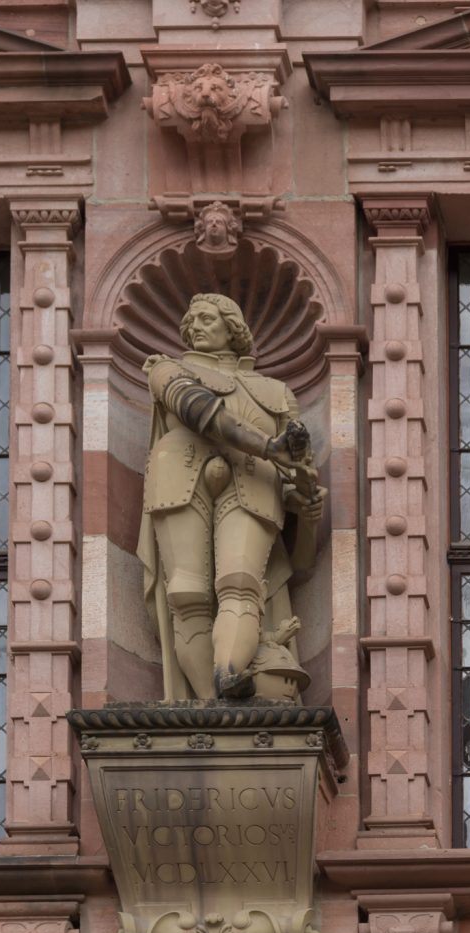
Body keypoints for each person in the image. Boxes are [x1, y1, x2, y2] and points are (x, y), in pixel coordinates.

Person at [137, 293, 324, 701]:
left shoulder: (276, 392)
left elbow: (299, 464)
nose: (196, 326)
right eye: (192, 320)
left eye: (207, 318)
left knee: (240, 582)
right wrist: (269, 447)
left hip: (254, 480)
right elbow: (194, 409)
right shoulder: (166, 369)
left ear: (232, 328)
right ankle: (210, 704)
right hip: (181, 472)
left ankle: (229, 673)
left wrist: (302, 497)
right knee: (185, 593)